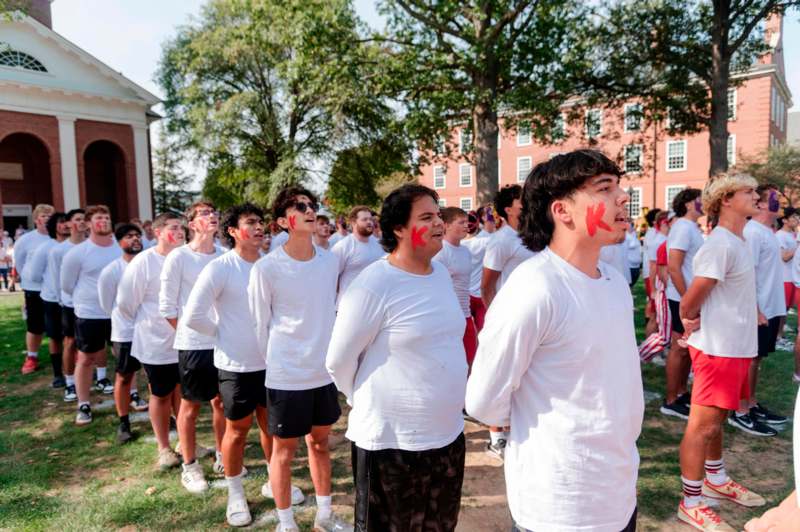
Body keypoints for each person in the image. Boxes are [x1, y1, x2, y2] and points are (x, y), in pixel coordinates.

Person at [465, 150, 643, 532]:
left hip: (618, 492)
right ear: (562, 211)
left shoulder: (614, 283)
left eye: (619, 186)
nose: (623, 197)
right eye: (605, 188)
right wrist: (545, 423)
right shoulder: (535, 287)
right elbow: (484, 399)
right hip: (559, 504)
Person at [327, 184, 467, 532]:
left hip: (447, 436)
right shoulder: (375, 283)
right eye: (426, 217)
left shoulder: (440, 276)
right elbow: (339, 360)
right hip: (391, 445)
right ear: (398, 229)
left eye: (438, 215)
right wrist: (361, 398)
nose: (438, 223)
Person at [184, 203, 303, 527]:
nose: (260, 227)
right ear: (234, 231)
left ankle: (274, 482)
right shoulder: (220, 267)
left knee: (272, 428)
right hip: (235, 366)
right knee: (237, 431)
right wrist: (223, 335)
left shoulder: (273, 266)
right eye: (251, 222)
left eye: (262, 222)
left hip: (273, 365)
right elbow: (194, 316)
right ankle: (235, 493)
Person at [249, 187, 346, 532]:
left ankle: (324, 515)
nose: (309, 210)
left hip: (323, 373)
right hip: (286, 375)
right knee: (284, 452)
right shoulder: (267, 268)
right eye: (299, 207)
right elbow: (260, 324)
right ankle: (286, 522)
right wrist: (280, 363)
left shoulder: (330, 260)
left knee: (320, 444)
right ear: (281, 222)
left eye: (311, 205)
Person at [676, 173, 767, 530]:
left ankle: (715, 479)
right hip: (718, 349)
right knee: (702, 427)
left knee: (717, 422)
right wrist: (688, 317)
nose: (757, 196)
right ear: (726, 200)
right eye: (750, 191)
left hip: (735, 347)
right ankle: (692, 502)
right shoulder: (720, 244)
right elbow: (693, 296)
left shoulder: (737, 240)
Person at [158, 201, 225, 492]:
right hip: (194, 345)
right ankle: (190, 466)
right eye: (204, 214)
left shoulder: (225, 256)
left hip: (224, 342)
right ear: (192, 223)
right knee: (190, 406)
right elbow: (167, 306)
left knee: (222, 403)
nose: (212, 217)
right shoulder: (179, 258)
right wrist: (189, 334)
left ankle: (223, 455)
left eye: (214, 213)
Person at [117, 212, 185, 469]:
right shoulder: (144, 262)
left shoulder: (185, 257)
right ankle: (164, 448)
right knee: (161, 392)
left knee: (183, 392)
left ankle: (185, 441)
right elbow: (125, 302)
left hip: (185, 339)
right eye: (174, 227)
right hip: (156, 341)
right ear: (158, 232)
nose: (180, 232)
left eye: (182, 227)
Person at [480, 184, 535, 459]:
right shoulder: (501, 241)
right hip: (506, 315)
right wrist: (495, 317)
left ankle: (518, 428)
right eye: (520, 200)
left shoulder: (532, 236)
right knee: (502, 375)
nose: (525, 203)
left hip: (531, 315)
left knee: (525, 375)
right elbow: (487, 286)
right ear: (507, 209)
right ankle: (496, 438)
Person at [730, 184, 788, 434]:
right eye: (774, 197)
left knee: (758, 358)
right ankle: (739, 410)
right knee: (749, 360)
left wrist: (780, 311)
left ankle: (752, 403)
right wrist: (755, 309)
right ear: (762, 204)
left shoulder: (768, 232)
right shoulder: (752, 232)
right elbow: (747, 274)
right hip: (758, 309)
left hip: (771, 307)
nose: (780, 200)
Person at [61, 205, 122, 424]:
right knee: (86, 358)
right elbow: (67, 285)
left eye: (107, 217)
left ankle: (130, 394)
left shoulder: (119, 247)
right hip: (90, 313)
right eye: (99, 218)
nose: (104, 221)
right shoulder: (77, 253)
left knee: (125, 357)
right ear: (88, 224)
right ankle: (84, 404)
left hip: (118, 312)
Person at [98, 223, 147, 444]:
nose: (135, 239)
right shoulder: (111, 271)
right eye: (129, 236)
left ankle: (168, 417)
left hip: (151, 331)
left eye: (138, 235)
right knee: (125, 376)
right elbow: (106, 303)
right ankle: (124, 422)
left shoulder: (150, 264)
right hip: (125, 332)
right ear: (119, 242)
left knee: (158, 377)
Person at [661, 188, 704, 419]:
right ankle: (670, 399)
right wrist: (688, 298)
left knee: (686, 348)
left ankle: (681, 392)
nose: (703, 203)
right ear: (688, 204)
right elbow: (674, 267)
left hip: (688, 297)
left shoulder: (692, 227)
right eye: (699, 200)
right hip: (681, 297)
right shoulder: (682, 228)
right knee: (679, 348)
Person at [25, 212, 69, 387]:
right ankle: (58, 373)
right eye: (60, 223)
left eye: (67, 222)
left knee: (75, 338)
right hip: (52, 300)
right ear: (53, 227)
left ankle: (80, 369)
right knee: (55, 336)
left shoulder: (78, 245)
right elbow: (34, 274)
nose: (65, 225)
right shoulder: (45, 248)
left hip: (73, 300)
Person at [51, 209, 88, 402]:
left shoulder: (94, 246)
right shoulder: (59, 250)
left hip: (92, 305)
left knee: (93, 346)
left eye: (84, 219)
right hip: (70, 304)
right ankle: (69, 382)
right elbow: (57, 279)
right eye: (78, 220)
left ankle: (101, 377)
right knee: (70, 342)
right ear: (68, 224)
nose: (82, 223)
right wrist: (63, 300)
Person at [433, 207, 476, 371]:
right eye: (461, 222)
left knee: (470, 362)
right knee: (452, 366)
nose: (467, 225)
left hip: (466, 315)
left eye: (467, 221)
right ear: (446, 225)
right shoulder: (440, 252)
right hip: (447, 317)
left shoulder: (465, 251)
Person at [16, 203, 54, 374]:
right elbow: (20, 263)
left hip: (55, 289)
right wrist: (30, 279)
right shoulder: (26, 240)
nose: (47, 219)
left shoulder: (58, 238)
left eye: (50, 216)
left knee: (61, 325)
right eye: (44, 216)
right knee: (35, 325)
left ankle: (69, 353)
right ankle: (31, 357)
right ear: (37, 219)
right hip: (34, 289)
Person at [331, 205, 385, 305]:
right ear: (353, 223)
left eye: (370, 219)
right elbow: (332, 277)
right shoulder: (343, 247)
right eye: (364, 219)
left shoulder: (379, 244)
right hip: (350, 307)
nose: (369, 222)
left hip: (375, 305)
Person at [461, 211, 491, 332]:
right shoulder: (486, 241)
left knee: (465, 331)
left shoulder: (458, 245)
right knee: (483, 330)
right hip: (479, 295)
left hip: (463, 295)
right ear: (478, 223)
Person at [776, 207, 798, 345]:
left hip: (793, 277)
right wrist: (798, 246)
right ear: (784, 220)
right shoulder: (780, 235)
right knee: (781, 309)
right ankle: (777, 337)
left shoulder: (792, 235)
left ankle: (781, 335)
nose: (797, 220)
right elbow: (784, 257)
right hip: (783, 278)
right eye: (794, 217)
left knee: (787, 309)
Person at [625, 221, 642, 286]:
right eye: (629, 225)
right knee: (628, 284)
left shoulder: (633, 235)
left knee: (632, 284)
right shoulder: (625, 236)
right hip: (629, 266)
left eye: (631, 225)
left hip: (636, 265)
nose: (631, 227)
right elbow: (632, 245)